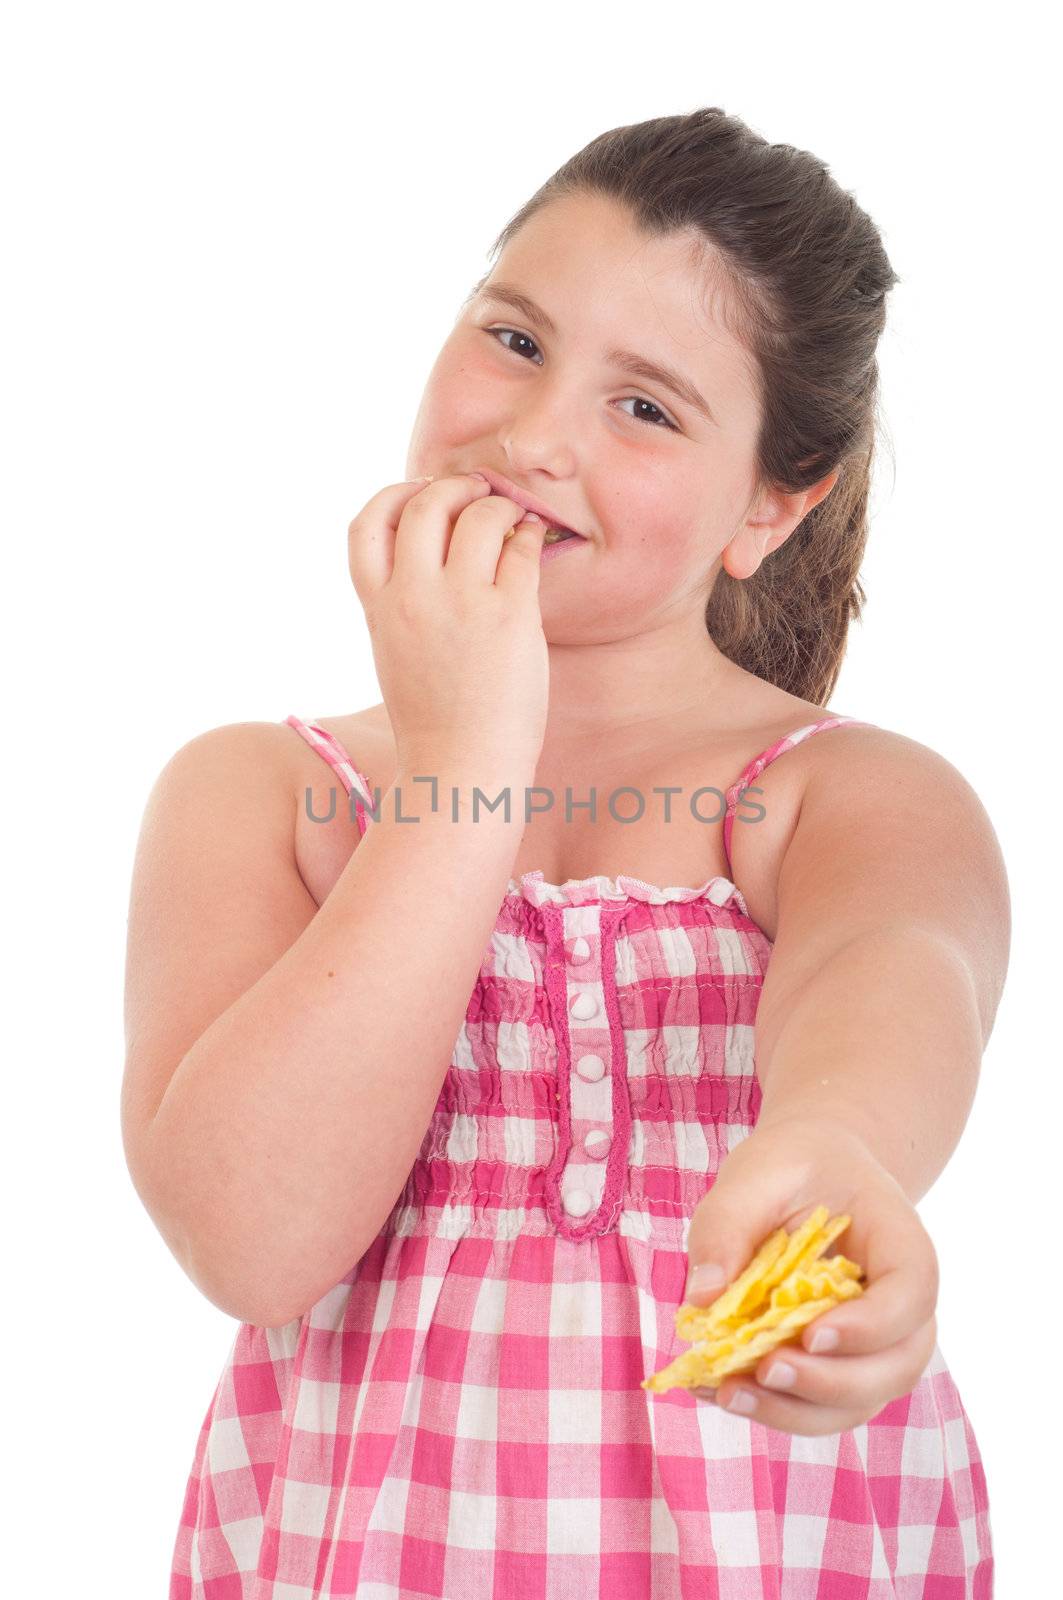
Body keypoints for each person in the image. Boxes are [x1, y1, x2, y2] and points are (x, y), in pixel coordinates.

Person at [123, 107, 1006, 1597]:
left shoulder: (842, 796)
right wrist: (467, 761)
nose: (532, 438)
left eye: (648, 408)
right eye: (516, 340)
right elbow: (254, 1241)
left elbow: (891, 972)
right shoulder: (264, 791)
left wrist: (835, 1151)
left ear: (772, 505)